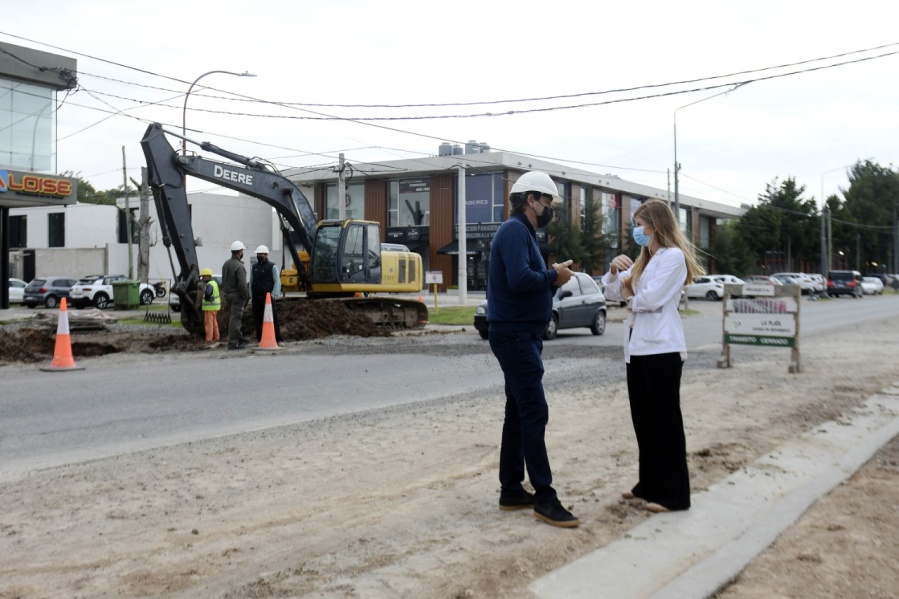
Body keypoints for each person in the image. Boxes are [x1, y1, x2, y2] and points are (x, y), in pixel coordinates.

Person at [487, 170, 579, 528]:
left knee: (519, 412)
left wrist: (552, 280)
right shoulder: (514, 231)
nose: (549, 209)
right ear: (531, 200)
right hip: (514, 337)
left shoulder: (522, 233)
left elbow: (529, 286)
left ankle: (511, 489)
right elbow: (520, 279)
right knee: (535, 411)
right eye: (548, 202)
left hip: (521, 335)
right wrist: (552, 276)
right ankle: (545, 497)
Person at [601, 199, 705, 513]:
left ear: (655, 226)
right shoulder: (645, 259)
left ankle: (673, 494)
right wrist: (613, 272)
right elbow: (612, 293)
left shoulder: (673, 258)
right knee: (643, 421)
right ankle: (648, 483)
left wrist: (630, 292)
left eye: (640, 225)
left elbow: (650, 300)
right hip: (638, 349)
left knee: (665, 422)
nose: (637, 231)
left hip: (662, 349)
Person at [249, 245, 283, 343]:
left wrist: (274, 294)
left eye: (261, 254)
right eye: (258, 254)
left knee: (272, 318)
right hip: (256, 297)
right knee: (258, 319)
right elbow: (251, 281)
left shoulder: (272, 267)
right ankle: (260, 338)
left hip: (268, 298)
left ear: (266, 254)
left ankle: (278, 338)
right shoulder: (254, 267)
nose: (259, 255)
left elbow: (277, 281)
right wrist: (251, 295)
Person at [222, 240, 250, 350]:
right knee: (236, 319)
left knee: (232, 318)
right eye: (242, 251)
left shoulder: (226, 264)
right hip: (237, 296)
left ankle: (236, 339)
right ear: (239, 252)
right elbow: (242, 284)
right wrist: (245, 295)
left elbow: (224, 280)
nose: (242, 253)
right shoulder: (239, 266)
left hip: (228, 294)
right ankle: (234, 341)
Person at [197, 268, 221, 344]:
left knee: (208, 324)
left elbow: (208, 294)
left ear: (207, 276)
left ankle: (209, 339)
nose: (202, 278)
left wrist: (207, 298)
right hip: (214, 308)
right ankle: (216, 338)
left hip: (209, 307)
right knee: (214, 323)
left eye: (203, 277)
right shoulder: (214, 283)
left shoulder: (209, 285)